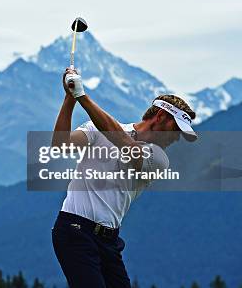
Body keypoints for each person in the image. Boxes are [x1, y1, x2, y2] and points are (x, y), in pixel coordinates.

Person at [51, 68, 197, 288]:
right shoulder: (97, 129)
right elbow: (60, 145)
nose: (177, 138)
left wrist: (82, 96)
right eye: (176, 129)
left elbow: (124, 143)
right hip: (74, 230)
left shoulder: (159, 158)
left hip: (109, 241)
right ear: (160, 117)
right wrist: (69, 98)